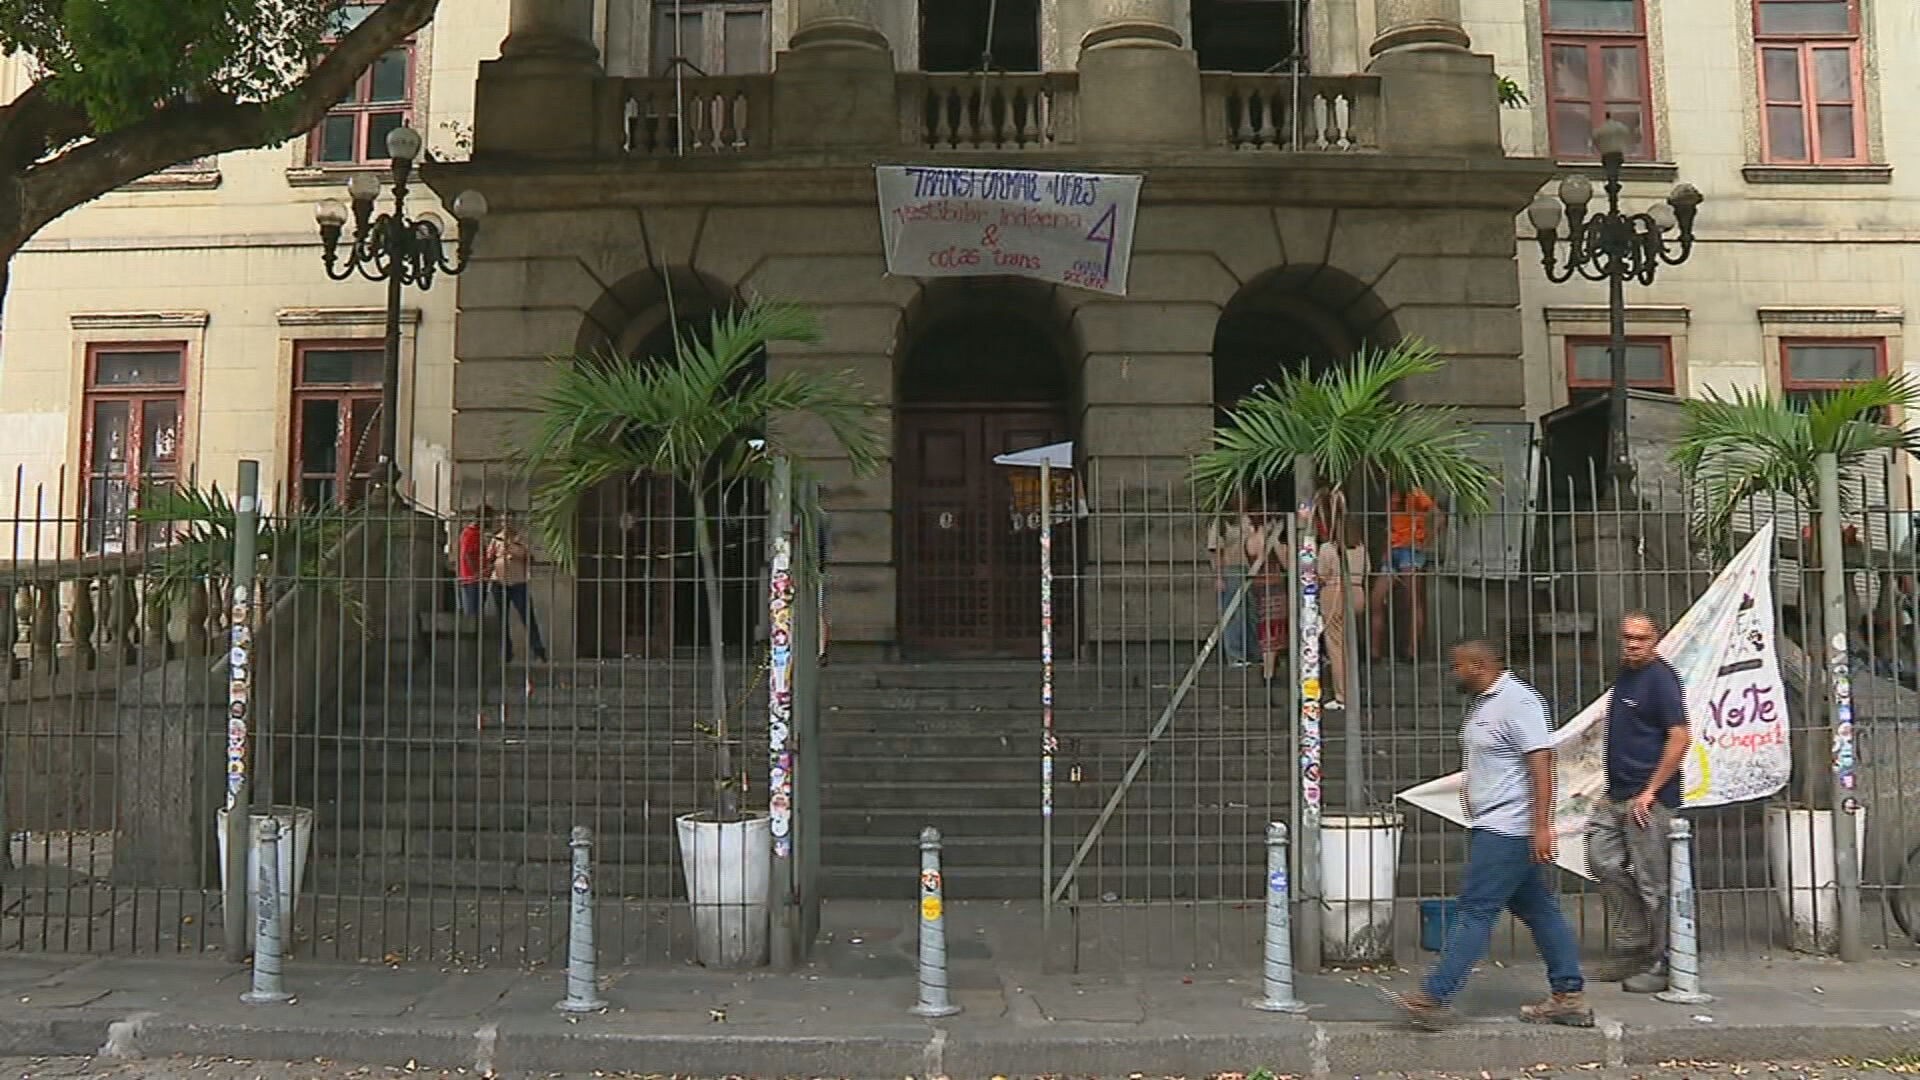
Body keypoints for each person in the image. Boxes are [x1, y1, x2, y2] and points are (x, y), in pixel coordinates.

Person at [1388, 640, 1590, 1031]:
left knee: (1475, 910)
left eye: (1456, 666)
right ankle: (1569, 994)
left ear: (1478, 666)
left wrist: (1542, 825)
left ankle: (1435, 996)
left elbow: (1542, 764)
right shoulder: (1487, 703)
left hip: (1508, 829)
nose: (1452, 673)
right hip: (1493, 824)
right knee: (1539, 909)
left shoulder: (1519, 702)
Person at [1587, 612, 1690, 994]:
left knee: (1654, 883)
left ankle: (1666, 961)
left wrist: (1650, 792)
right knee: (1601, 858)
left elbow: (1679, 738)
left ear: (1655, 640)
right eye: (1627, 637)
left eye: (1641, 638)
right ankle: (1635, 943)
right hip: (1617, 794)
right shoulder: (1626, 674)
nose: (1632, 644)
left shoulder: (1661, 680)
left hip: (1648, 799)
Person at [1370, 485, 1440, 661]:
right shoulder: (1391, 492)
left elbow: (1439, 516)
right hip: (1393, 549)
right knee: (1376, 600)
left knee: (1413, 600)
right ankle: (1374, 652)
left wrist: (1425, 540)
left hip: (1410, 549)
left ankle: (1412, 651)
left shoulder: (1416, 492)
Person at [1319, 518, 1369, 709]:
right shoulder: (1361, 547)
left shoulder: (1327, 548)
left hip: (1335, 591)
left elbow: (1322, 574)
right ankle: (1351, 689)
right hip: (1357, 591)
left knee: (1335, 646)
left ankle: (1342, 695)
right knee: (1348, 644)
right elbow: (1368, 570)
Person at [487, 516, 548, 663]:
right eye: (503, 520)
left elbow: (530, 557)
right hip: (499, 582)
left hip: (518, 582)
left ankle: (538, 651)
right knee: (501, 620)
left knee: (527, 617)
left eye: (509, 519)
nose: (507, 523)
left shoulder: (521, 538)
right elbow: (489, 557)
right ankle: (506, 653)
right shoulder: (496, 539)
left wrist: (515, 550)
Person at [1206, 495, 1258, 666]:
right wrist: (1219, 576)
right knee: (1234, 614)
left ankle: (1253, 653)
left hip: (1251, 568)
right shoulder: (1222, 522)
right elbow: (1215, 552)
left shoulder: (1250, 518)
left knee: (1252, 614)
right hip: (1232, 569)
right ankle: (1236, 655)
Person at [455, 504, 495, 617]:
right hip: (472, 580)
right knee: (473, 615)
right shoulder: (472, 533)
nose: (491, 522)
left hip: (476, 578)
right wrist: (477, 573)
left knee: (476, 613)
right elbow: (468, 555)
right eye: (490, 518)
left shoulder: (475, 533)